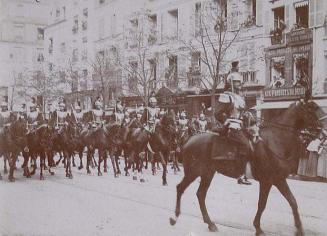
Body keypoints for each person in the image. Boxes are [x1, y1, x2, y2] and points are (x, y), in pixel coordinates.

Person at [214, 61, 252, 185]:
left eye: (240, 82)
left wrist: (248, 116)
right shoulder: (226, 96)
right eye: (237, 82)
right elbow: (217, 113)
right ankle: (240, 174)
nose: (239, 84)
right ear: (231, 83)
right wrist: (227, 121)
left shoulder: (240, 97)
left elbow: (243, 113)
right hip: (232, 127)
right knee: (245, 146)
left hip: (241, 126)